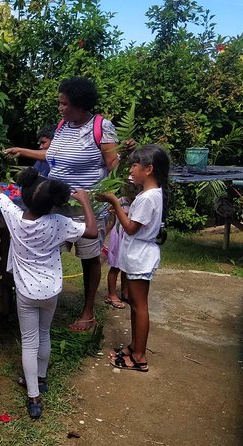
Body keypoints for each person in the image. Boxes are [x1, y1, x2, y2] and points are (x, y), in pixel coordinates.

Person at [0, 160, 97, 419]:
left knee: (29, 342)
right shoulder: (59, 222)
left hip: (26, 292)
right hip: (51, 289)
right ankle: (41, 378)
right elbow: (91, 231)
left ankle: (34, 396)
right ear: (52, 203)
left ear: (25, 196)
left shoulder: (14, 217)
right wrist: (85, 201)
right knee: (44, 333)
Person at [5, 77, 120, 332]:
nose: (60, 108)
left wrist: (109, 194)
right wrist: (22, 151)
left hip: (85, 209)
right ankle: (40, 300)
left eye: (64, 104)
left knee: (88, 258)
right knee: (47, 251)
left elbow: (114, 165)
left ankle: (88, 312)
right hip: (56, 205)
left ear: (80, 104)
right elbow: (53, 155)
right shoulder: (63, 126)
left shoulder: (102, 127)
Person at [97, 144, 170, 372]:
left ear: (148, 169)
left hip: (141, 255)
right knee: (136, 305)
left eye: (134, 165)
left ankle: (140, 357)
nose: (131, 169)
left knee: (140, 306)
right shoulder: (149, 194)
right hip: (138, 253)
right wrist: (123, 211)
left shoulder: (149, 197)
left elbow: (130, 228)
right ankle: (134, 346)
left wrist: (115, 203)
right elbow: (137, 221)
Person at [104, 181, 140, 309]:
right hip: (119, 236)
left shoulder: (138, 202)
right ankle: (112, 295)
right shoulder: (120, 201)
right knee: (115, 267)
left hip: (129, 238)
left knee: (126, 266)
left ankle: (125, 292)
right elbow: (113, 216)